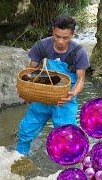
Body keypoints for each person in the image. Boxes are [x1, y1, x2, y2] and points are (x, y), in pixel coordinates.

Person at [16, 15, 90, 155]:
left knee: (67, 137)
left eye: (65, 38)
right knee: (27, 129)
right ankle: (20, 155)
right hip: (42, 95)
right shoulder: (42, 46)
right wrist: (26, 91)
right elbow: (31, 71)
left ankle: (67, 167)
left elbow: (81, 80)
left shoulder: (78, 52)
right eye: (57, 36)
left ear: (72, 35)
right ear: (52, 32)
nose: (60, 41)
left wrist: (72, 94)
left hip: (65, 100)